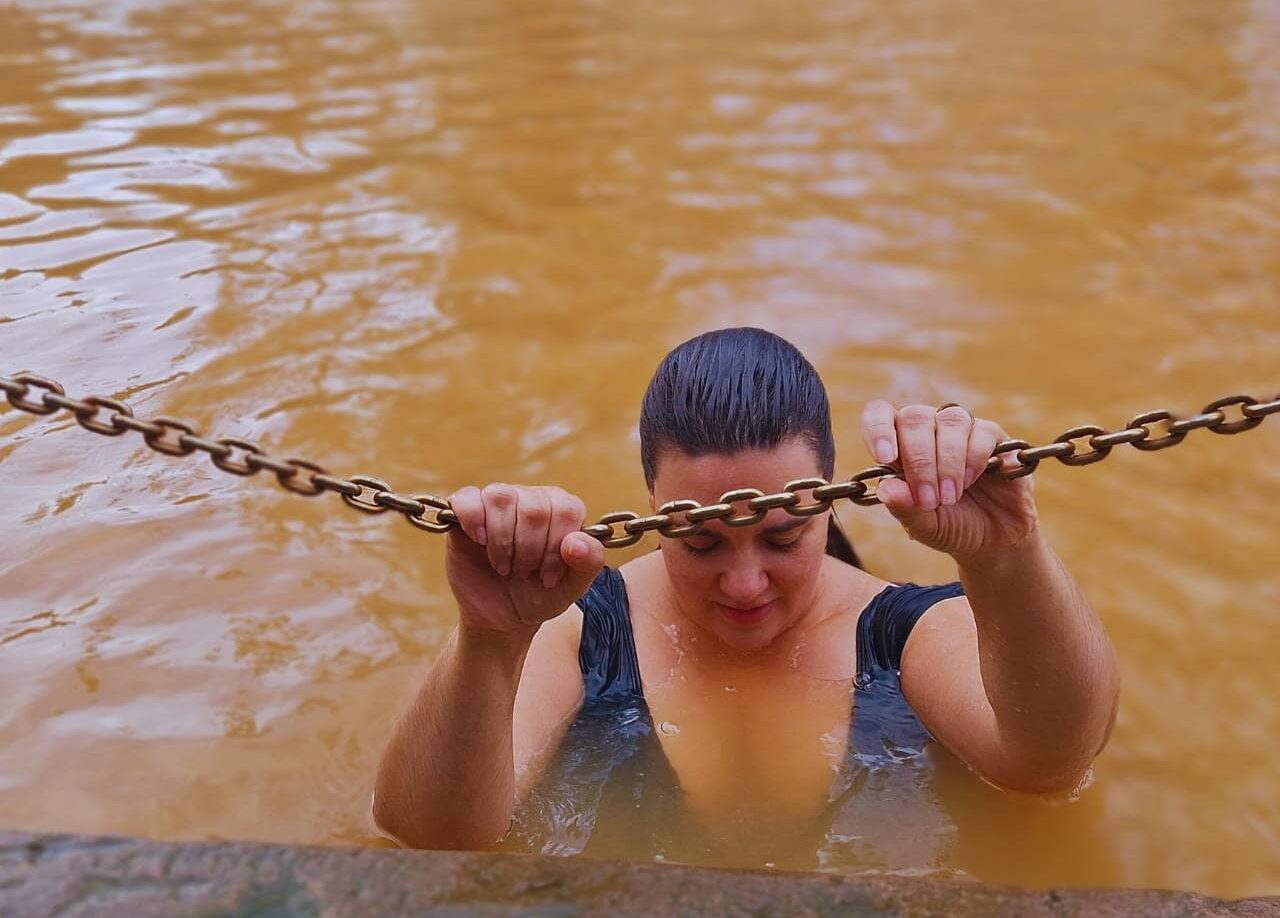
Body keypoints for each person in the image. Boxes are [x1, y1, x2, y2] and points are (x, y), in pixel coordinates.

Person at [372, 327, 1121, 856]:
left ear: (829, 503)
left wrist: (1009, 557)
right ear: (651, 508)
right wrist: (490, 639)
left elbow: (1049, 764)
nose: (744, 583)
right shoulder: (580, 628)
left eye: (784, 537)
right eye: (699, 542)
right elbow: (431, 842)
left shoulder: (899, 631)